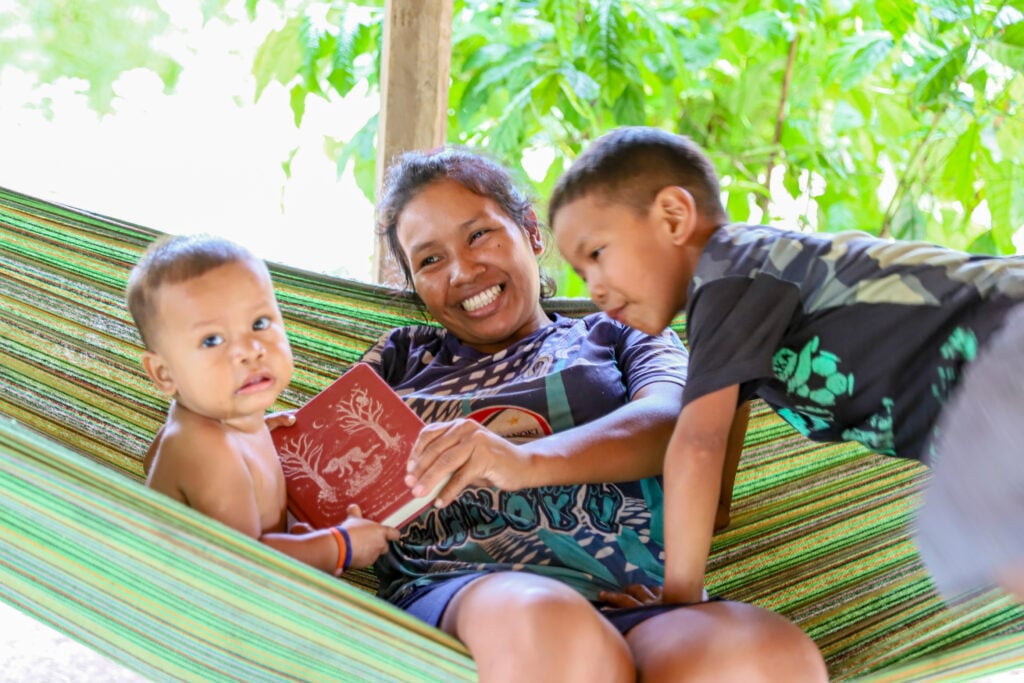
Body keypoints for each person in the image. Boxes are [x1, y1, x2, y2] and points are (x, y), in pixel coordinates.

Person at [346, 147, 828, 682]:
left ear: (530, 231)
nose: (462, 270)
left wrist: (522, 460)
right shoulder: (400, 357)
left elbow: (677, 422)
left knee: (770, 658)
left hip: (634, 596)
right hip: (462, 595)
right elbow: (318, 473)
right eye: (430, 260)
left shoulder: (620, 330)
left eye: (479, 234)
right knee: (554, 630)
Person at [548, 125, 1024, 606]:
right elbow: (719, 432)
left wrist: (678, 603)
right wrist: (714, 511)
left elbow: (698, 443)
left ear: (673, 217)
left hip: (1006, 340)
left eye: (597, 254)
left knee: (987, 523)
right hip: (997, 368)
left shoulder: (728, 271)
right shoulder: (737, 310)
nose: (594, 288)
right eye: (582, 272)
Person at [126, 234, 398, 576]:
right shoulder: (209, 448)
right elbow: (247, 564)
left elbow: (156, 460)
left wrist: (250, 427)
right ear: (165, 374)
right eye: (212, 340)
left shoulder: (219, 423)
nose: (250, 349)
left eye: (260, 323)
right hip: (213, 614)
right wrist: (340, 545)